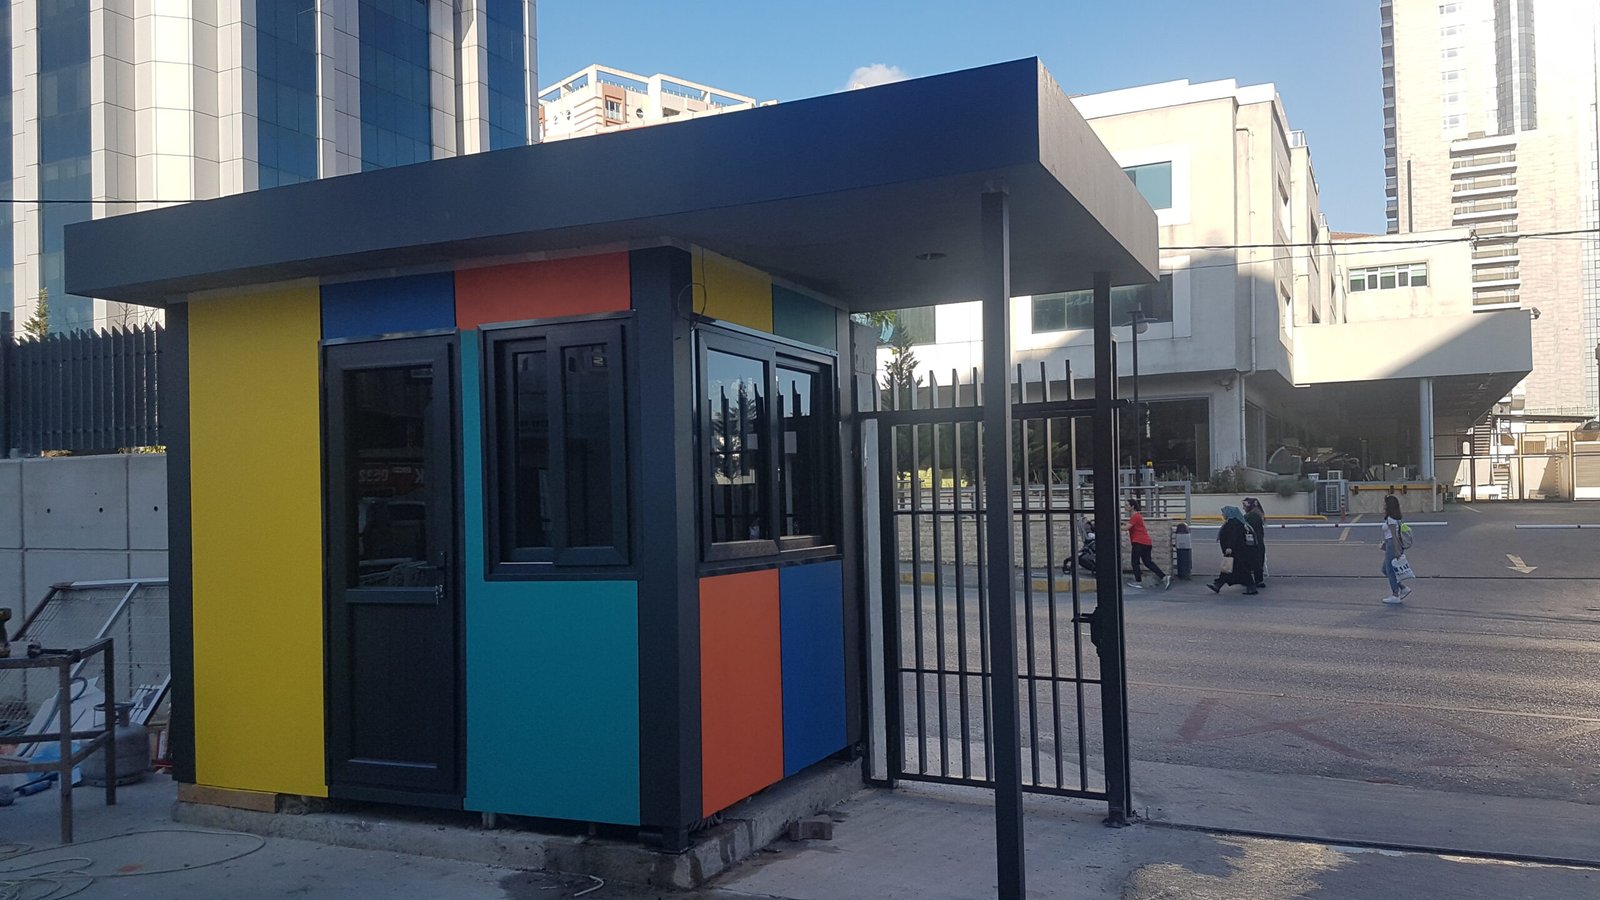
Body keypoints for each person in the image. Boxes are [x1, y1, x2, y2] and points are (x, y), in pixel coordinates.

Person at [1207, 506, 1258, 595]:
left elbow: (1232, 537)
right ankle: (1217, 585)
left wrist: (1229, 547)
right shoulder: (1235, 522)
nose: (1222, 514)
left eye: (1224, 512)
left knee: (1238, 568)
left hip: (1235, 551)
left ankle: (1251, 587)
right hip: (1237, 550)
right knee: (1227, 568)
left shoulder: (1233, 523)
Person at [1125, 499, 1171, 590]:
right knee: (1147, 562)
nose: (1125, 507)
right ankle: (1163, 577)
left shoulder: (1135, 516)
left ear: (1132, 506)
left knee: (1135, 562)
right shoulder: (1137, 516)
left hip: (1138, 542)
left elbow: (1126, 528)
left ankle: (1138, 582)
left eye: (1127, 505)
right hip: (1146, 542)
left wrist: (1115, 524)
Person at [1380, 494, 1410, 604]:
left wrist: (1397, 551)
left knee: (1389, 570)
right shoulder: (1396, 518)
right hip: (1391, 544)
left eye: (1385, 504)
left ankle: (1395, 594)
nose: (1384, 505)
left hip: (1392, 545)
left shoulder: (1391, 519)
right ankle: (1402, 587)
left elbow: (1394, 536)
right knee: (1385, 569)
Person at [1242, 497, 1267, 589]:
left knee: (1253, 561)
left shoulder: (1252, 516)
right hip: (1258, 541)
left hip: (1253, 542)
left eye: (1244, 506)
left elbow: (1247, 527)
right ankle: (1258, 580)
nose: (1243, 508)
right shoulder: (1257, 514)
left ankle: (1252, 582)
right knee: (1257, 560)